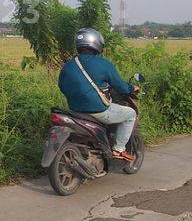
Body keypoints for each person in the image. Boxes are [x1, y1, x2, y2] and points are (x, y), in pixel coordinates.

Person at [57, 28, 139, 162]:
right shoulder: (103, 63)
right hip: (98, 111)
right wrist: (131, 88)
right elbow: (119, 85)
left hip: (75, 111)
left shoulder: (68, 65)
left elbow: (62, 86)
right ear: (97, 43)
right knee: (130, 114)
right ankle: (119, 149)